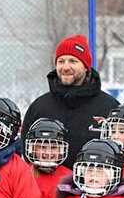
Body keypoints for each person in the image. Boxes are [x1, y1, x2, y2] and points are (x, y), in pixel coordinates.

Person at [22, 35, 119, 168]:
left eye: (73, 61)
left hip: (95, 185)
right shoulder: (40, 107)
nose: (66, 67)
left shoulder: (109, 107)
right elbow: (27, 156)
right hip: (48, 186)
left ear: (86, 67)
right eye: (61, 61)